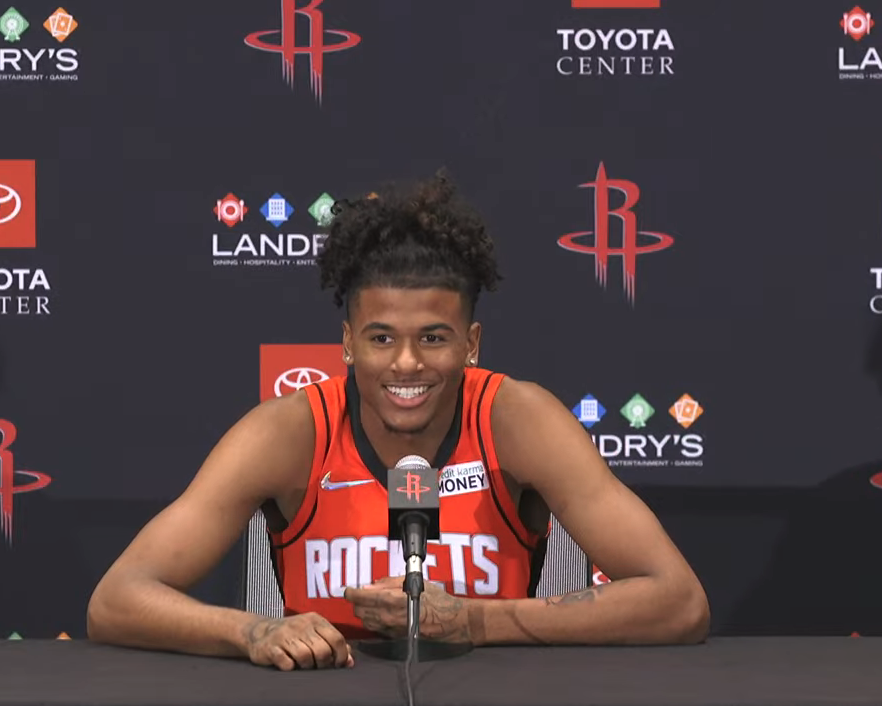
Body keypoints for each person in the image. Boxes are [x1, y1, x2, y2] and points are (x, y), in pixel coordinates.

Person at [86, 172, 709, 670]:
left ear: (471, 343)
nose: (406, 364)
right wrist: (254, 630)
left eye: (433, 338)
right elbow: (117, 599)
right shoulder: (290, 432)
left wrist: (474, 621)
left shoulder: (516, 418)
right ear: (348, 343)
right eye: (381, 338)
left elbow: (679, 601)